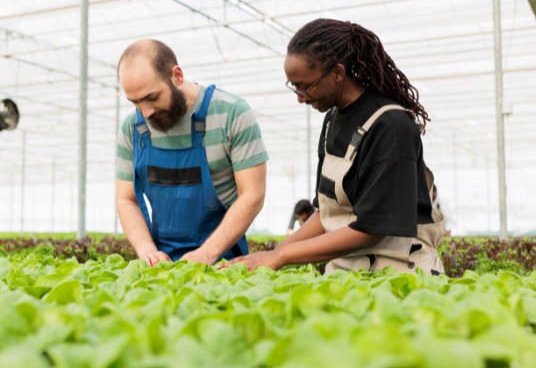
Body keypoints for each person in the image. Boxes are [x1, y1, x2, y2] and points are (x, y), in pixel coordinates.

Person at [219, 19, 445, 275]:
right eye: (294, 86)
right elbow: (325, 213)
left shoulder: (390, 126)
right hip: (348, 269)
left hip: (399, 271)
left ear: (338, 73)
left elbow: (373, 229)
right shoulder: (332, 122)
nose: (299, 97)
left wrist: (282, 256)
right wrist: (272, 255)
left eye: (305, 86)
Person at [115, 40, 269, 267]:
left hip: (223, 262)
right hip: (162, 264)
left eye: (152, 97)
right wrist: (147, 251)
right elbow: (125, 199)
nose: (145, 112)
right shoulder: (132, 129)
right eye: (135, 102)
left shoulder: (232, 114)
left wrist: (207, 253)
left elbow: (253, 195)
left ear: (177, 75)